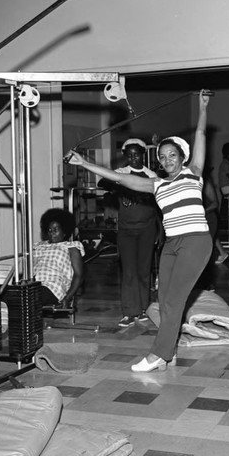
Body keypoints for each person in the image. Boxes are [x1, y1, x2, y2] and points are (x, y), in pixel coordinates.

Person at [66, 90, 212, 372]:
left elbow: (202, 135)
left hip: (196, 241)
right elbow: (120, 178)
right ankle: (169, 351)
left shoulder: (194, 173)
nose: (168, 159)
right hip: (171, 244)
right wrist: (84, 163)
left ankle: (158, 353)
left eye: (173, 155)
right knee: (165, 302)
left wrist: (203, 107)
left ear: (183, 157)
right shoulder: (156, 184)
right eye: (163, 157)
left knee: (175, 299)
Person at [98, 138, 162, 327]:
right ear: (126, 156)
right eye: (130, 155)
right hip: (126, 230)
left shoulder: (151, 175)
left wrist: (160, 231)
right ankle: (129, 312)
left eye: (137, 154)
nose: (134, 158)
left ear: (143, 154)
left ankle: (143, 309)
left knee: (144, 270)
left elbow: (159, 207)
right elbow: (103, 181)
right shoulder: (121, 173)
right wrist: (119, 184)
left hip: (147, 229)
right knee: (129, 271)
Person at [33, 208, 85, 308]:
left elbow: (79, 275)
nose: (52, 232)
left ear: (64, 231)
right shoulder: (38, 246)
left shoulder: (71, 247)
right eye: (49, 229)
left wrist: (67, 298)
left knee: (28, 297)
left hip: (52, 287)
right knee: (5, 294)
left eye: (56, 229)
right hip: (32, 285)